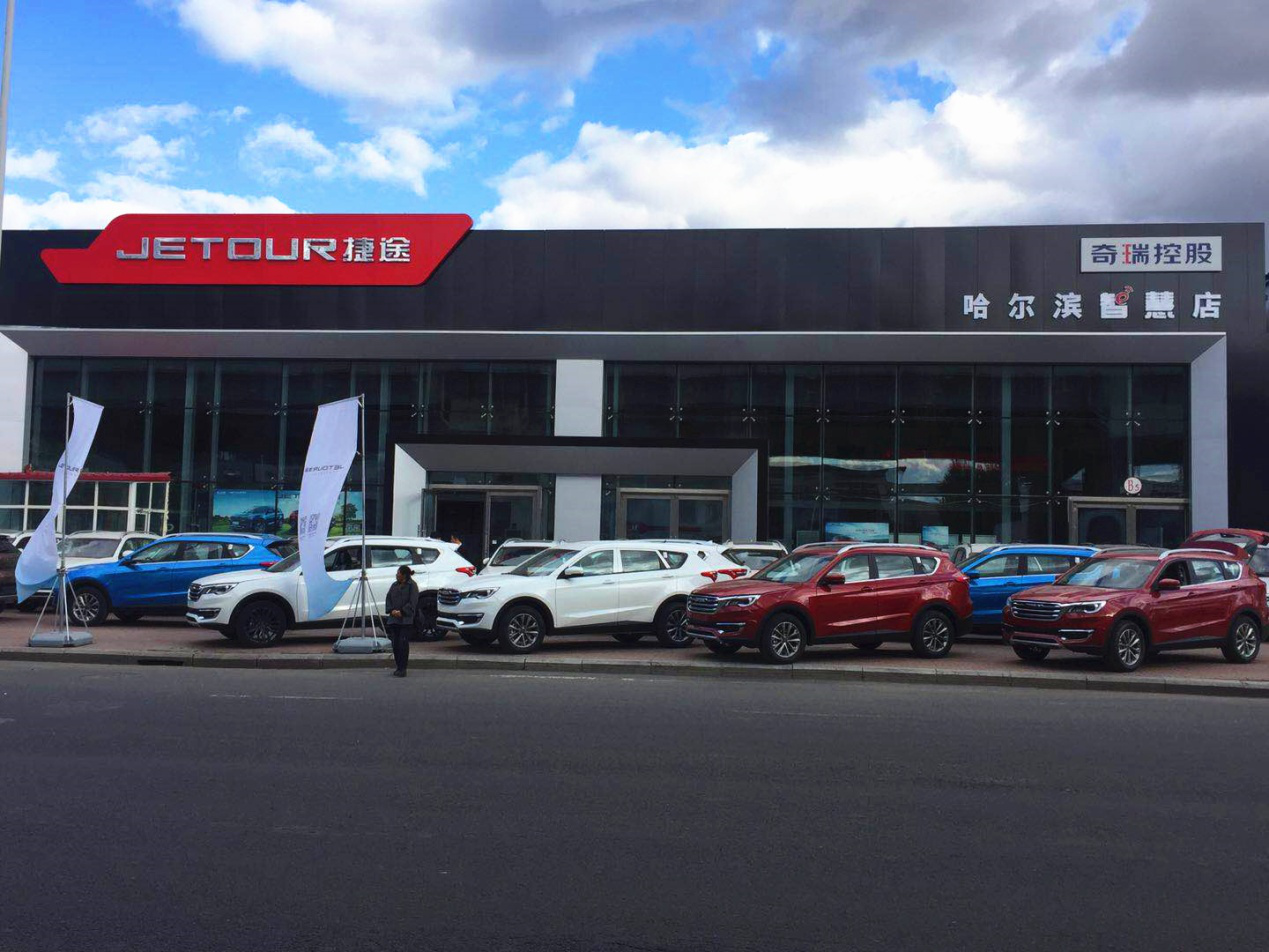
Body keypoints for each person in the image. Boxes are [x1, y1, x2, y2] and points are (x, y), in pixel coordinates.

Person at [385, 565, 419, 677]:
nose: (396, 575)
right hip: (394, 619)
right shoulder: (394, 585)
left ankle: (403, 668)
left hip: (405, 620)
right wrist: (391, 610)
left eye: (398, 573)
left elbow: (413, 601)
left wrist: (402, 612)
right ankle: (398, 666)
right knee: (395, 643)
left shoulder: (412, 585)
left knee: (402, 643)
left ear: (403, 575)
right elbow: (388, 598)